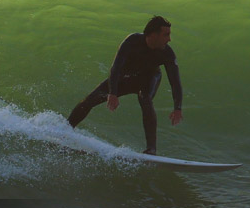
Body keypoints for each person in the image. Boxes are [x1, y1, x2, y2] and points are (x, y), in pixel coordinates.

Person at [67, 16, 183, 154]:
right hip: (125, 77)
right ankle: (65, 129)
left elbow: (175, 82)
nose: (169, 39)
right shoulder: (132, 41)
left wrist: (178, 108)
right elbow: (116, 68)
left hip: (149, 78)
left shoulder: (167, 53)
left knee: (145, 98)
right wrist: (113, 93)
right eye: (166, 35)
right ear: (153, 34)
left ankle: (151, 149)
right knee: (90, 100)